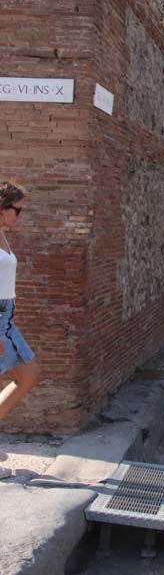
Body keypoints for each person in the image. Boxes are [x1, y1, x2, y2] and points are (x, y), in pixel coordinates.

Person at [0, 180, 39, 479]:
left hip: (6, 318)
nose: (20, 216)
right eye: (18, 210)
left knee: (29, 375)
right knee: (26, 375)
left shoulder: (2, 234)